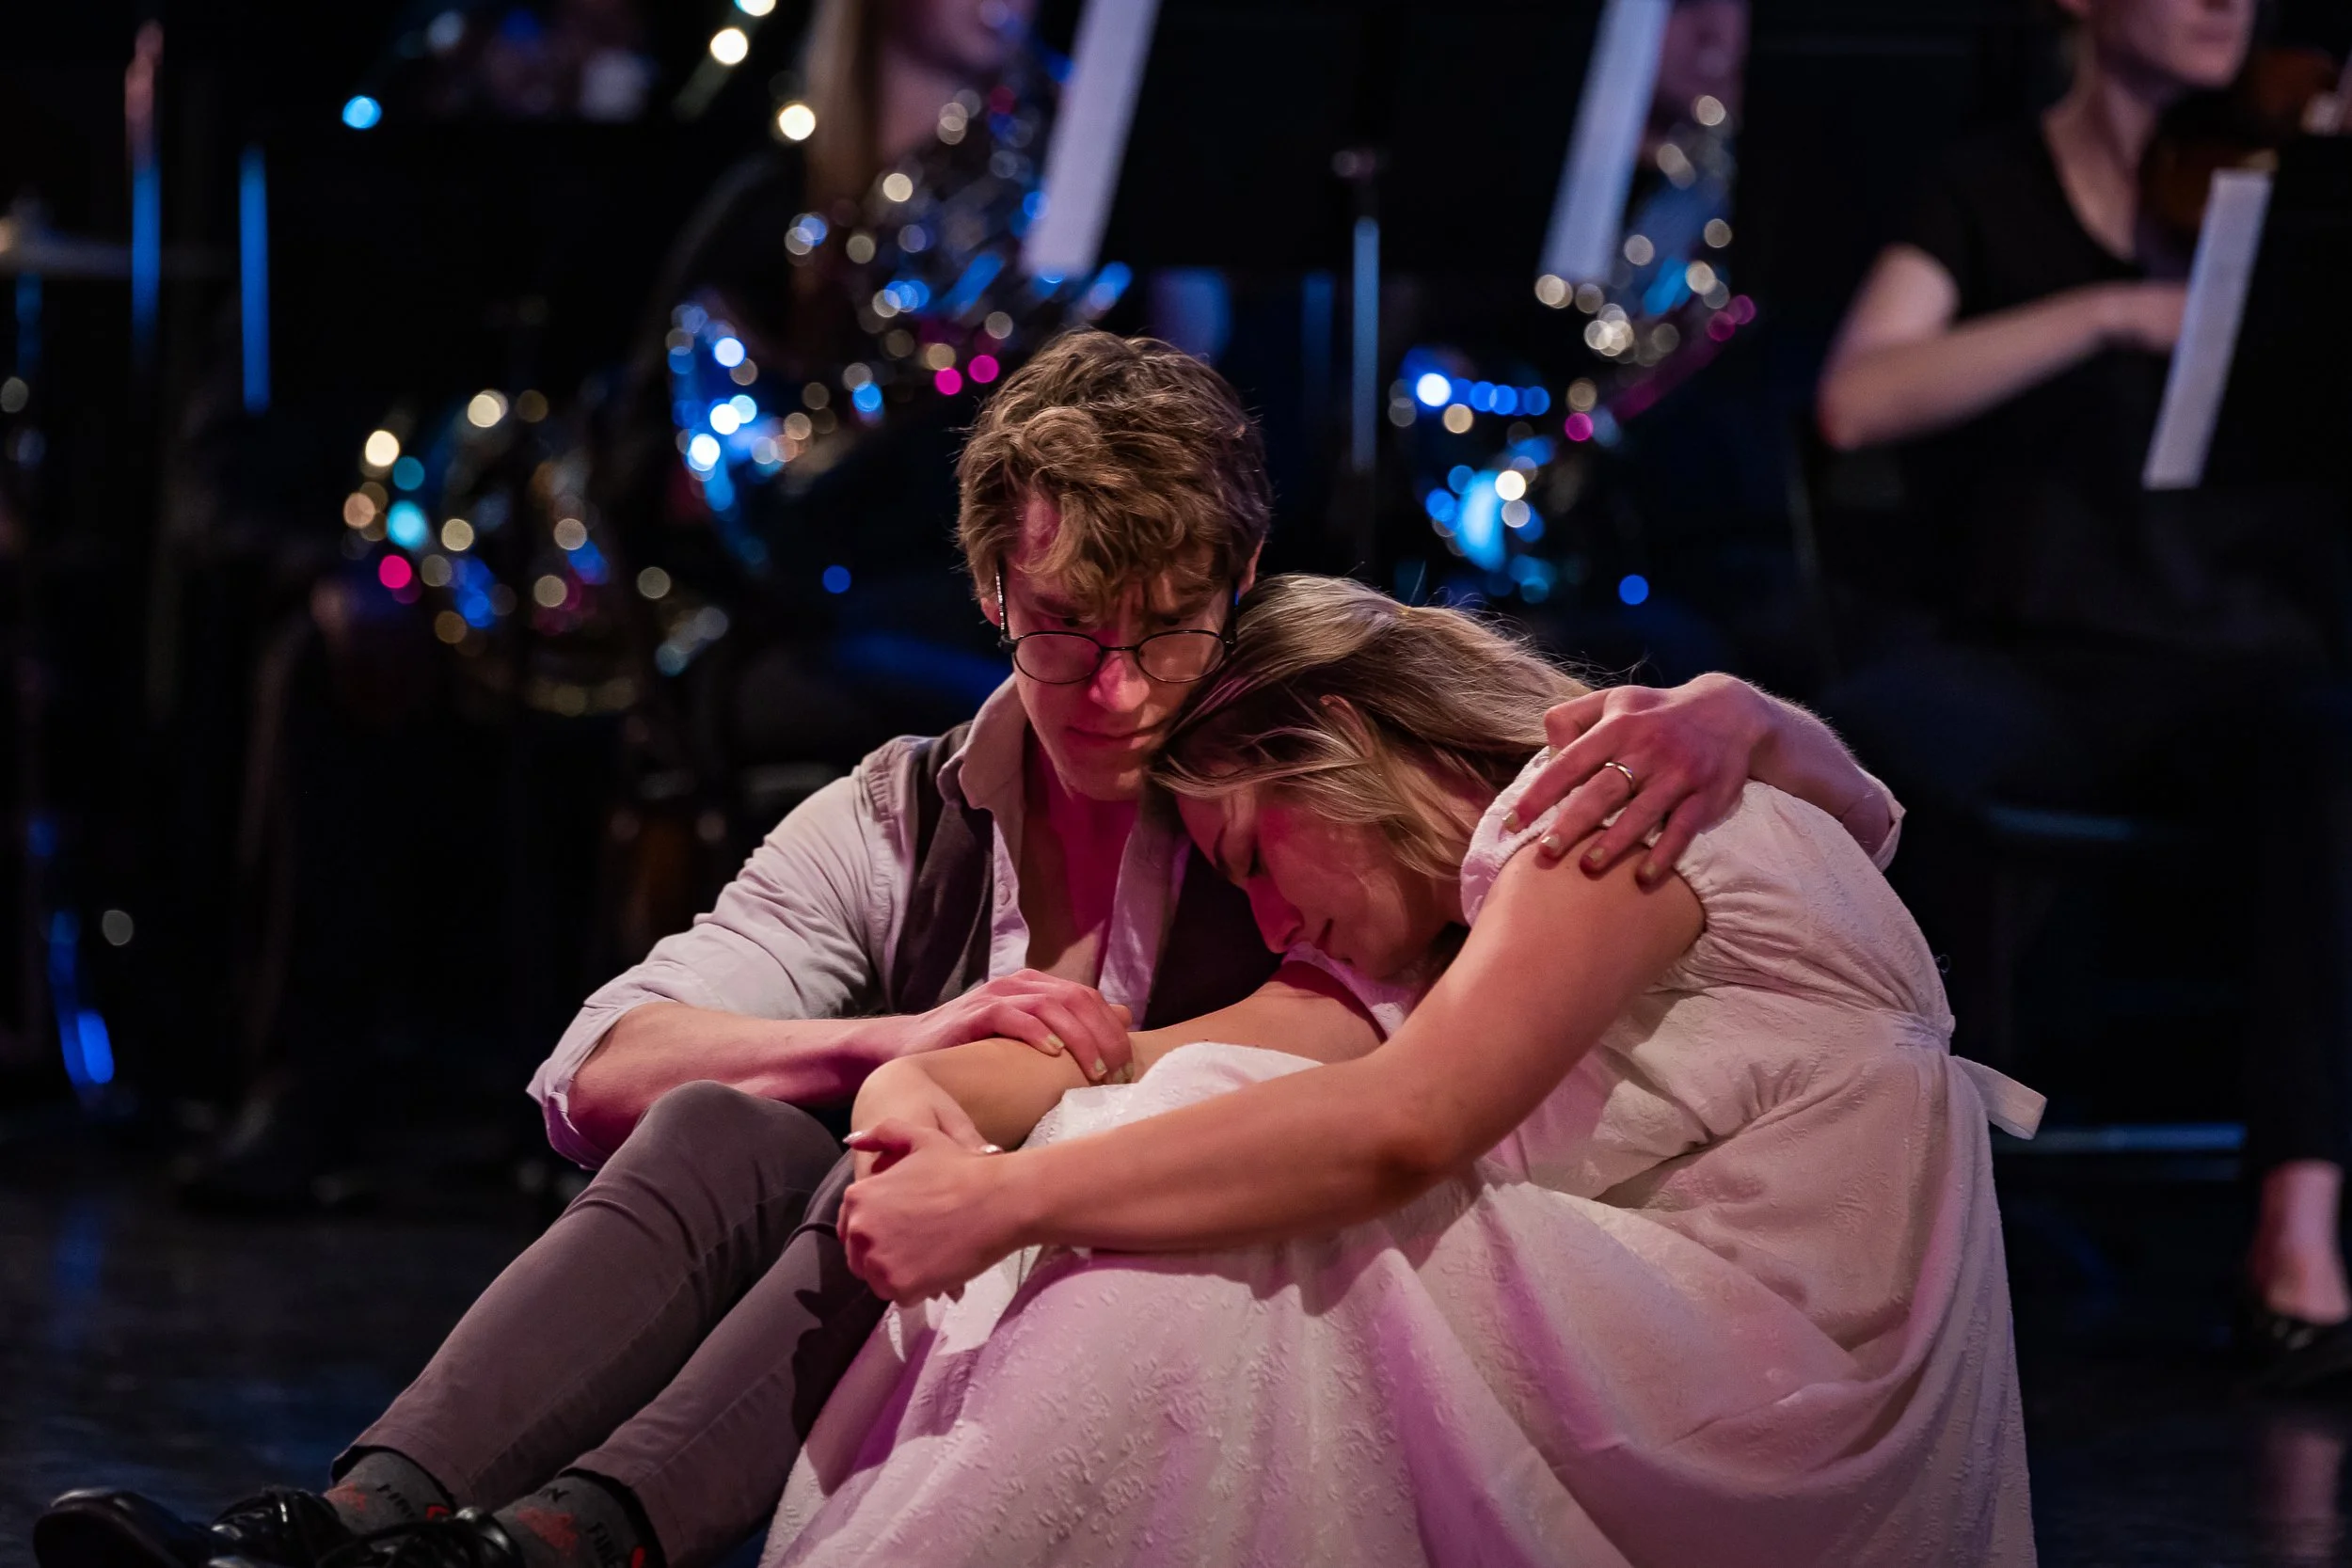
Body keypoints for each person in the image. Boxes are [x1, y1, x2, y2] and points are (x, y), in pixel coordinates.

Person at [35, 335, 1903, 1568]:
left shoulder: (1292, 770)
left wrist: (1735, 709)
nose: (1119, 684)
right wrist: (899, 1043)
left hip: (1064, 1330)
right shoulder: (899, 804)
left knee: (866, 1141)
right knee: (720, 1123)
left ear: (1229, 597)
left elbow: (1603, 808)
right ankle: (342, 1523)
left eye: (1166, 627)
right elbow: (598, 1070)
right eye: (1065, 625)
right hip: (923, 1253)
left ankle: (542, 1549)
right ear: (990, 595)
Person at [750, 574, 2037, 1566]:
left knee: (1260, 1184)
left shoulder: (1596, 813)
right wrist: (913, 1095)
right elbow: (1118, 1059)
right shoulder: (1459, 956)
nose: (1262, 922)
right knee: (1180, 1127)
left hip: (1787, 1389)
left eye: (1251, 856)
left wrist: (998, 1204)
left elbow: (1403, 1129)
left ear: (1337, 737)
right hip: (1758, 1365)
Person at [1813, 0, 2352, 1386]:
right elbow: (1859, 399)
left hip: (2232, 658)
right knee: (1879, 739)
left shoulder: (2289, 187)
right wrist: (2108, 311)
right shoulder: (1988, 188)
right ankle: (1899, 1214)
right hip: (2035, 654)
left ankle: (2300, 1229)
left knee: (2326, 739)